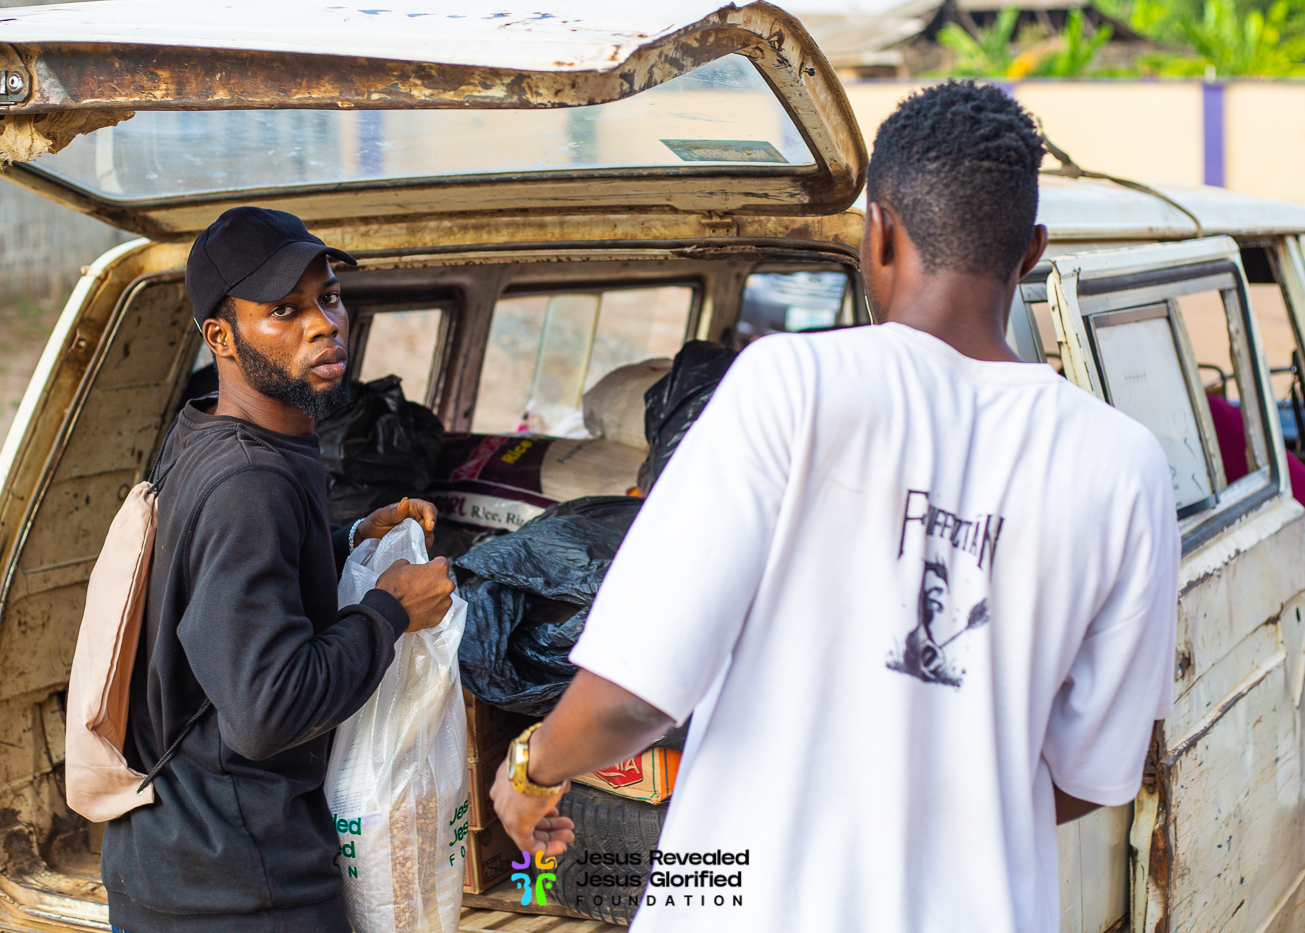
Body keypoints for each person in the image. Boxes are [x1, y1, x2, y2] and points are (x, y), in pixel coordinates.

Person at [490, 82, 1180, 932]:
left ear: (876, 233)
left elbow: (634, 696)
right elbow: (1093, 775)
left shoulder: (792, 384)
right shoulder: (1125, 467)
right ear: (1031, 250)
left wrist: (530, 769)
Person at [102, 206, 455, 933]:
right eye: (284, 310)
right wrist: (389, 611)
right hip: (236, 890)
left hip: (181, 858)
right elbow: (267, 712)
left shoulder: (212, 432)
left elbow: (223, 589)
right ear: (220, 337)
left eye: (329, 297)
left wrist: (348, 540)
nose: (323, 324)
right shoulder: (250, 483)